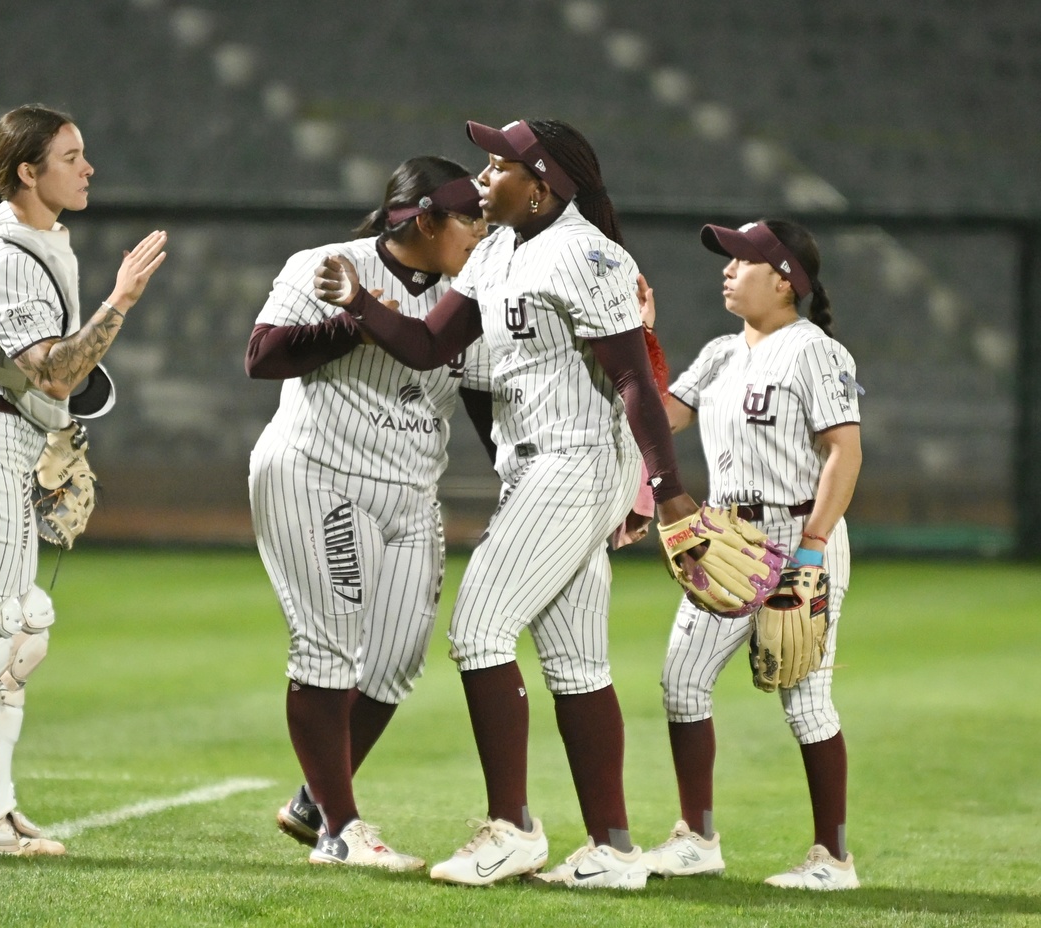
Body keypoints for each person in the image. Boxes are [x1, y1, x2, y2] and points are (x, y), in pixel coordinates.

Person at [313, 118, 701, 890]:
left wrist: (668, 490)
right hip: (541, 465)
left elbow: (633, 381)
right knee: (578, 663)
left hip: (578, 459)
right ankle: (613, 848)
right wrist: (358, 301)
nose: (482, 179)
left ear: (544, 183)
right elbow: (428, 345)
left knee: (480, 626)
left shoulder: (587, 251)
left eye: (499, 166)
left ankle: (513, 827)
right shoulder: (496, 248)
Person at [0, 104, 167, 857]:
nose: (88, 167)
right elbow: (54, 367)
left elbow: (44, 380)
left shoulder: (41, 240)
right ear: (27, 171)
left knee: (18, 639)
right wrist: (121, 301)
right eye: (71, 156)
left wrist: (55, 433)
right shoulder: (8, 252)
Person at [246, 156, 492, 871]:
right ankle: (341, 831)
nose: (481, 228)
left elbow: (477, 397)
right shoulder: (330, 264)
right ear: (423, 218)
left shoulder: (466, 290)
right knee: (328, 650)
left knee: (394, 662)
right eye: (468, 216)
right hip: (319, 472)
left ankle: (310, 801)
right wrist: (353, 325)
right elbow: (262, 356)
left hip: (411, 489)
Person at [639, 219, 863, 890]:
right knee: (682, 682)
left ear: (786, 278)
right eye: (726, 259)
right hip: (728, 542)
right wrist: (641, 342)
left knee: (805, 701)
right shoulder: (719, 353)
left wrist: (815, 550)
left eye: (743, 259)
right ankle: (697, 838)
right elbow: (656, 417)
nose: (727, 270)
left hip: (799, 538)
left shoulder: (815, 351)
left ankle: (833, 858)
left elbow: (843, 452)